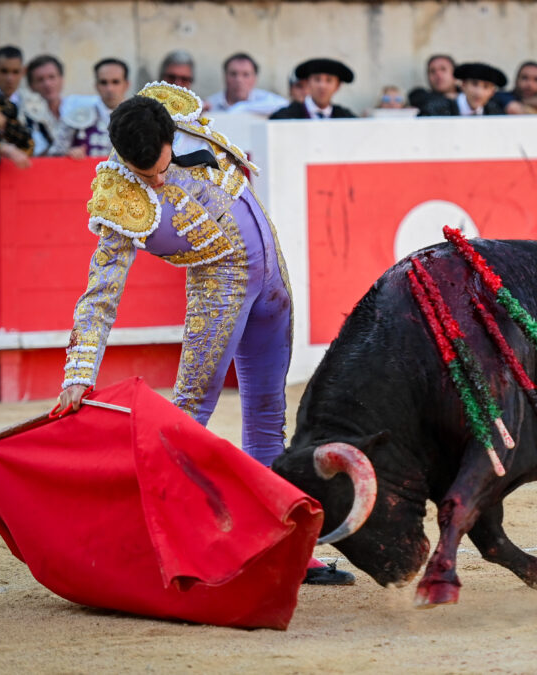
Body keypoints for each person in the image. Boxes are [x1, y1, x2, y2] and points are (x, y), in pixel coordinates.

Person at [55, 84, 351, 585]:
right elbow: (100, 294)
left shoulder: (176, 114)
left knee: (267, 412)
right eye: (142, 172)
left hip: (272, 278)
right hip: (220, 289)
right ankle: (172, 547)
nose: (155, 177)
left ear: (172, 134)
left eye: (159, 164)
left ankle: (282, 545)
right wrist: (79, 372)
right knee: (188, 418)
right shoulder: (118, 195)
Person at [65, 58, 131, 158]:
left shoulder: (138, 116)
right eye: (104, 82)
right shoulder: (78, 114)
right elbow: (54, 153)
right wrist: (69, 153)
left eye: (115, 82)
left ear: (126, 85)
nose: (110, 88)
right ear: (96, 85)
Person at [26, 54, 82, 157]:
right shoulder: (27, 117)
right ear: (31, 86)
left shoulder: (77, 108)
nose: (47, 84)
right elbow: (34, 154)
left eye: (52, 77)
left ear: (61, 79)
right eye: (40, 79)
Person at [204, 53, 288, 117]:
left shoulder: (264, 98)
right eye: (233, 74)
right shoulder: (210, 104)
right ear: (225, 76)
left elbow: (285, 105)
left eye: (246, 75)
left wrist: (242, 107)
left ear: (255, 78)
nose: (239, 80)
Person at [270, 58, 356, 119]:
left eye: (329, 80)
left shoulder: (346, 117)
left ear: (337, 86)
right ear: (308, 83)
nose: (322, 86)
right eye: (317, 79)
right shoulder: (285, 116)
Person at [415, 62, 506, 116]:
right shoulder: (436, 109)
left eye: (486, 87)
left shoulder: (494, 112)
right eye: (474, 84)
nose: (479, 92)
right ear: (463, 85)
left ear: (492, 92)